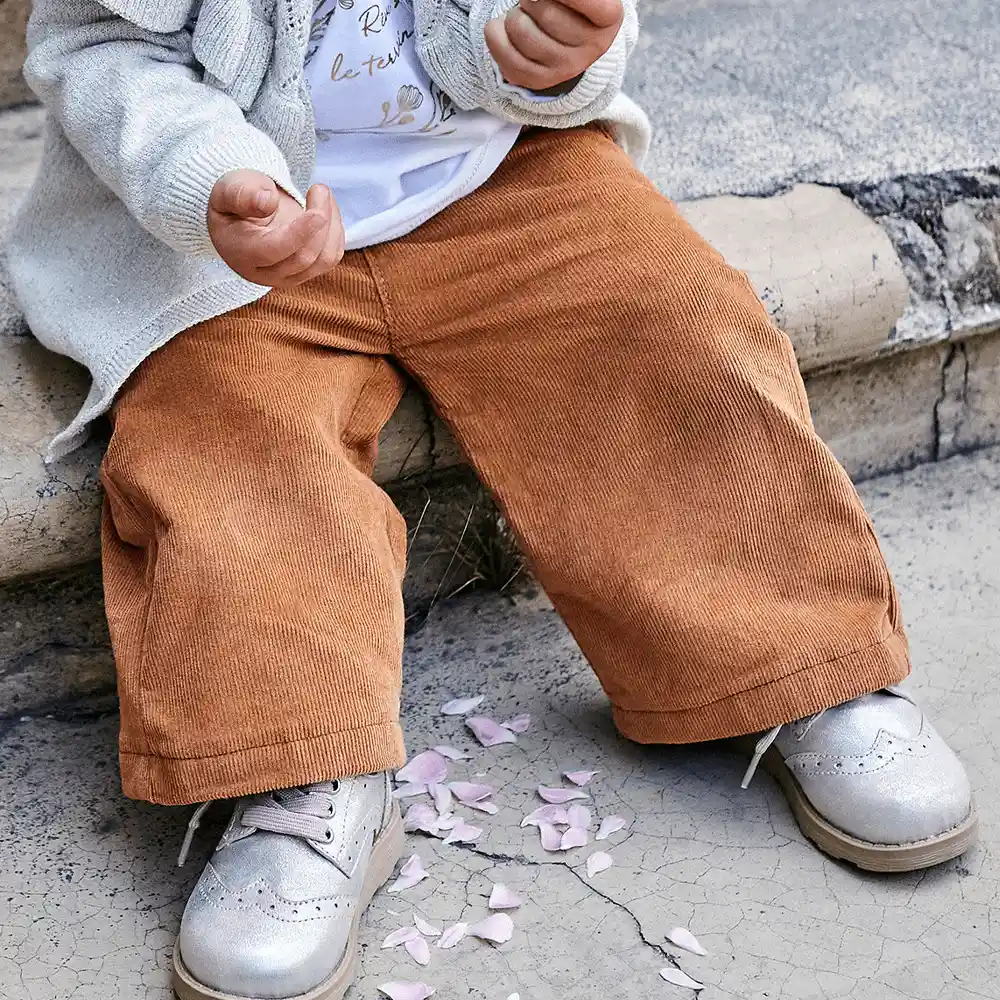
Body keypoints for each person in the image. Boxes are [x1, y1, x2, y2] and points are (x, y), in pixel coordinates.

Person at [7, 0, 977, 994]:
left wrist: (544, 55)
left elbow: (577, 21)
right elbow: (100, 44)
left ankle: (794, 660)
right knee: (226, 436)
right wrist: (206, 178)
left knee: (665, 324)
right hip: (222, 239)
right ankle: (296, 764)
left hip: (496, 175)